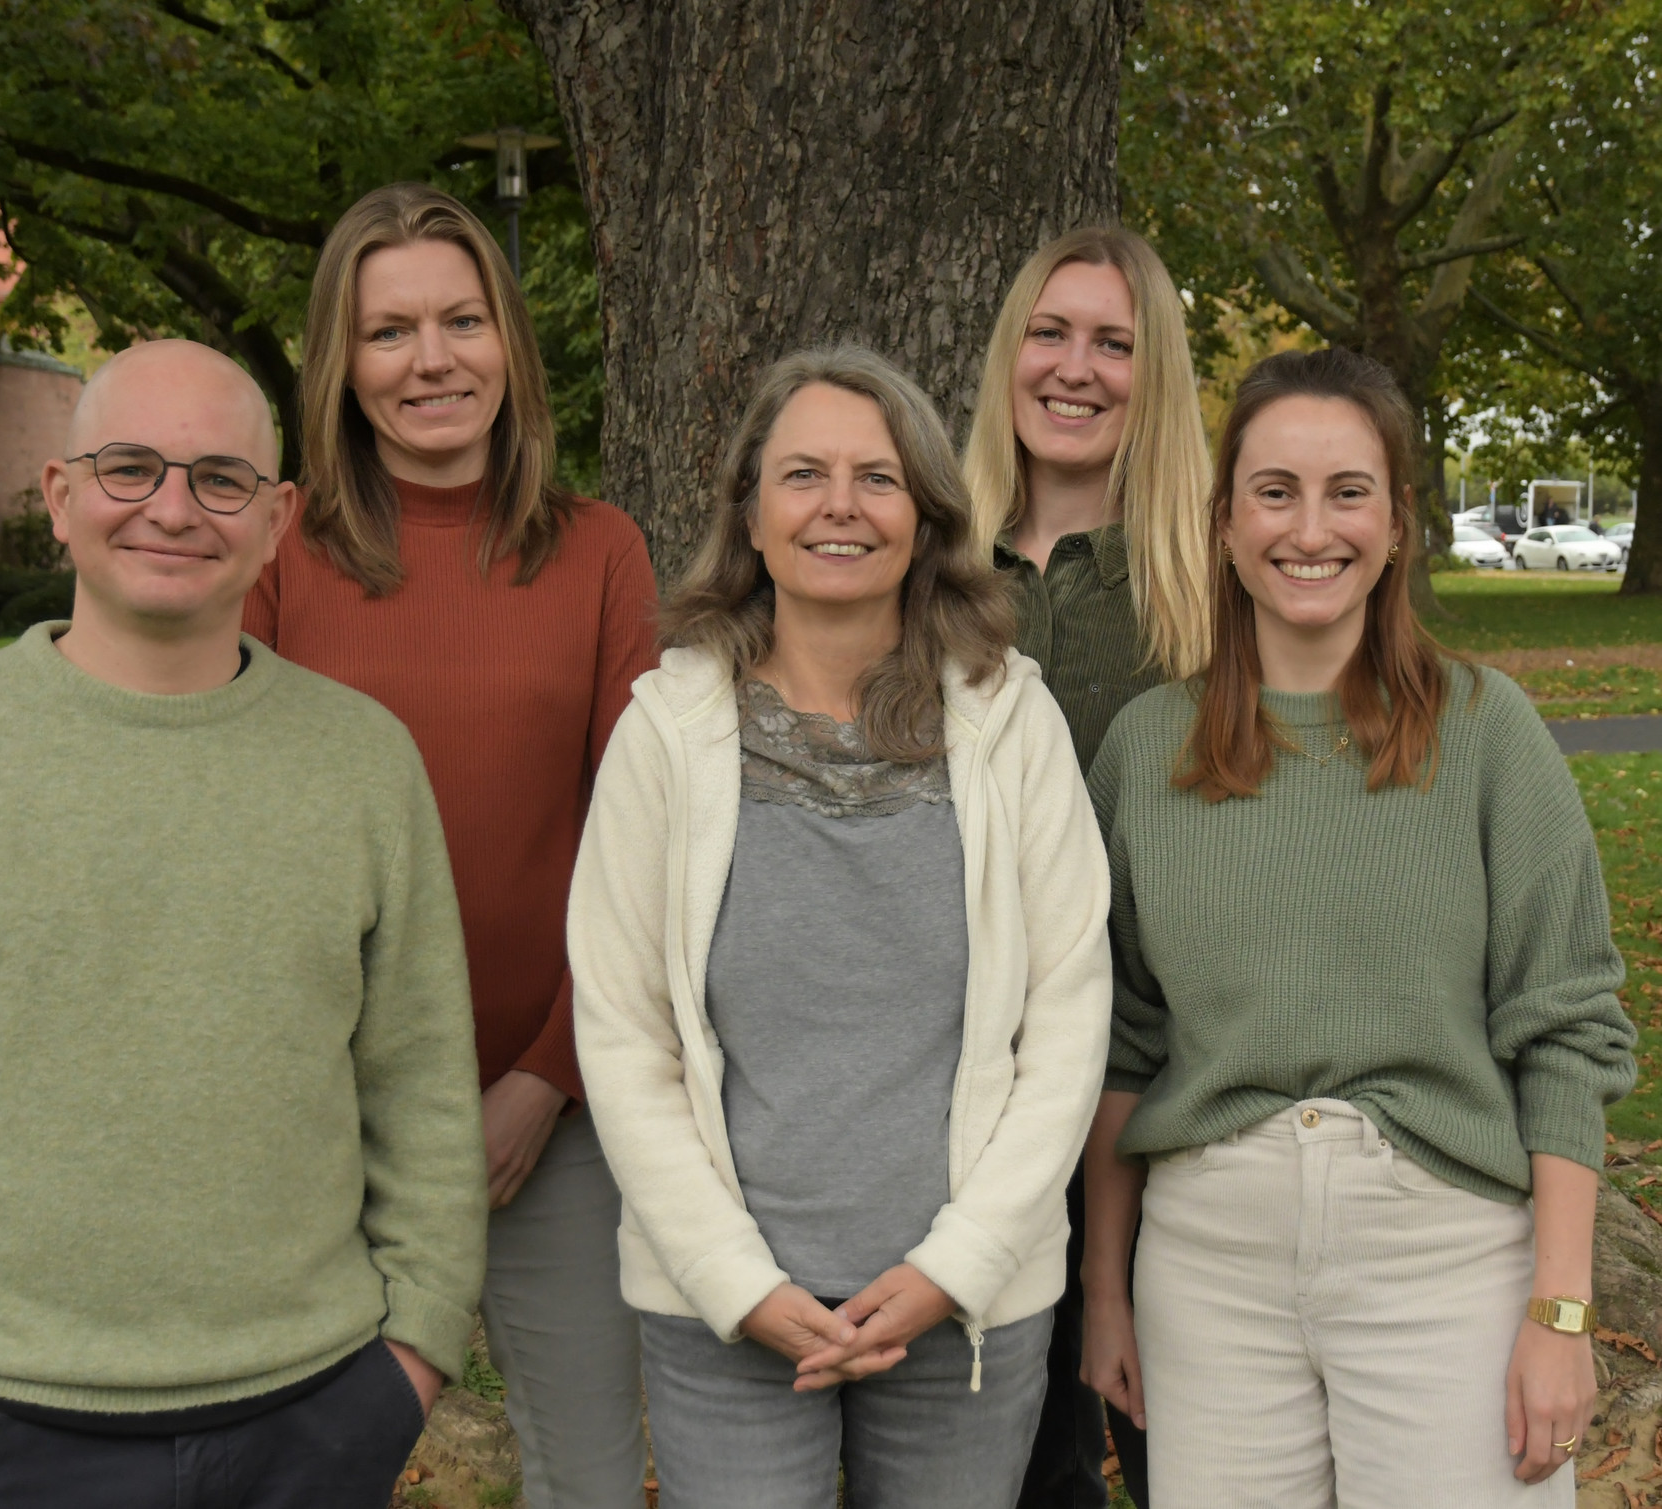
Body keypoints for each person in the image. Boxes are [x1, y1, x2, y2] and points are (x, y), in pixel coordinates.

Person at [0, 339, 487, 1509]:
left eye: (218, 478)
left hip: (313, 1420)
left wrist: (413, 1354)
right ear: (60, 494)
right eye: (129, 467)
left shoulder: (361, 761)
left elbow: (423, 1087)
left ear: (277, 515)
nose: (172, 509)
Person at [1080, 347, 1637, 1507]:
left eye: (1348, 492)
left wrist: (1561, 1308)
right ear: (1223, 522)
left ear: (1395, 525)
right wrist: (1104, 1293)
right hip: (1208, 1267)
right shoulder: (1144, 749)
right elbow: (1122, 1040)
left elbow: (1567, 1030)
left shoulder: (1487, 732)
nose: (1308, 529)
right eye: (1273, 491)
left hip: (1444, 1261)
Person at [568, 344, 1114, 1509]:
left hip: (963, 1312)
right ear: (749, 515)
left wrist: (951, 1269)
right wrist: (732, 1282)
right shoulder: (663, 736)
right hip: (726, 1318)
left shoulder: (1011, 723)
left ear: (922, 515)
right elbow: (622, 1037)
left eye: (876, 477)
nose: (839, 506)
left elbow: (1067, 1020)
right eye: (802, 473)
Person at [242, 183, 659, 1509]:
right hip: (317, 1128)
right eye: (388, 331)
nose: (431, 360)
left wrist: (543, 1077)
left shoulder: (598, 553)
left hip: (551, 1110)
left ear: (507, 343)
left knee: (587, 1478)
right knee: (309, 1477)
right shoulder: (275, 551)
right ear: (339, 364)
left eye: (462, 320)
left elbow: (644, 849)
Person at [961, 224, 1213, 1509]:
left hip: (1172, 1105)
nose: (1075, 368)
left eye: (1112, 343)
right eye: (1048, 334)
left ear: (1150, 372)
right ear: (1008, 354)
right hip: (976, 1112)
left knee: (1188, 1456)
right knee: (1025, 1473)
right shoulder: (927, 574)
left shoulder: (1208, 589)